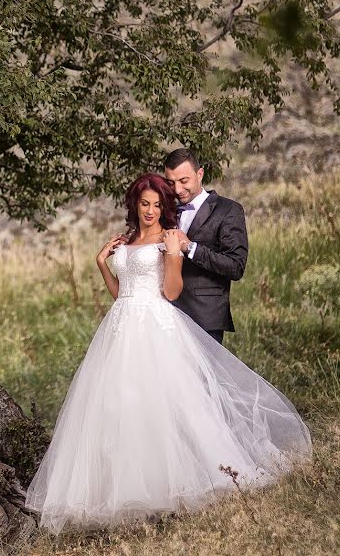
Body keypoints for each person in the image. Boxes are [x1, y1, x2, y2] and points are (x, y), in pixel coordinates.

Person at [23, 172, 312, 536]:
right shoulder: (127, 238)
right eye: (145, 204)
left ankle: (179, 485)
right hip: (119, 326)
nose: (150, 210)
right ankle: (124, 491)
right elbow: (120, 293)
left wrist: (175, 256)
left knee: (165, 405)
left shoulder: (167, 238)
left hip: (154, 325)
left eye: (158, 204)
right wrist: (101, 264)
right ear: (135, 204)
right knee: (118, 405)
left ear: (165, 208)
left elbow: (172, 293)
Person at [163, 148, 248, 345]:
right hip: (166, 316)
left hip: (205, 317)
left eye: (184, 181)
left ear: (200, 174)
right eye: (171, 183)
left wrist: (190, 247)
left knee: (203, 377)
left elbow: (235, 266)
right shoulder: (166, 211)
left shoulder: (228, 210)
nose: (177, 190)